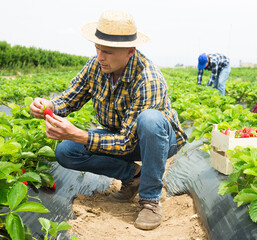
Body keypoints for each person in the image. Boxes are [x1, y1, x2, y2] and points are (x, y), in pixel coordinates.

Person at [29, 10, 187, 230]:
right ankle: (134, 176)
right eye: (98, 49)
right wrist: (48, 105)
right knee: (66, 151)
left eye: (108, 52)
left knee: (150, 120)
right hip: (120, 135)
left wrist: (79, 134)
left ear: (130, 51)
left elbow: (127, 143)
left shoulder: (148, 79)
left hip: (157, 140)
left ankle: (150, 200)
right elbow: (69, 100)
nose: (100, 56)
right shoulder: (96, 66)